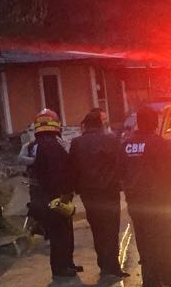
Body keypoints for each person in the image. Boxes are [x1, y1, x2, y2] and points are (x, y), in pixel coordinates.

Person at [121, 106, 171, 287]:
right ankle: (155, 286)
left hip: (135, 203)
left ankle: (149, 284)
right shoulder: (157, 143)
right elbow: (169, 172)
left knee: (144, 243)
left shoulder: (127, 144)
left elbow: (121, 171)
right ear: (154, 123)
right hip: (156, 203)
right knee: (158, 244)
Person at [70, 108, 127, 278]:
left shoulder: (77, 143)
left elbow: (73, 167)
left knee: (97, 228)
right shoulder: (111, 139)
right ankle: (113, 266)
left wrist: (76, 188)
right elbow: (120, 163)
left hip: (89, 193)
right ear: (100, 123)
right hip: (109, 191)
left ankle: (103, 263)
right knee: (111, 228)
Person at [29, 109, 79, 278]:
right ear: (56, 125)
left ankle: (66, 263)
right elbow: (60, 173)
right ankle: (61, 268)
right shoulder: (52, 146)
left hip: (43, 197)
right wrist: (66, 193)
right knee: (61, 233)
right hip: (56, 198)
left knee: (59, 233)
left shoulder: (36, 146)